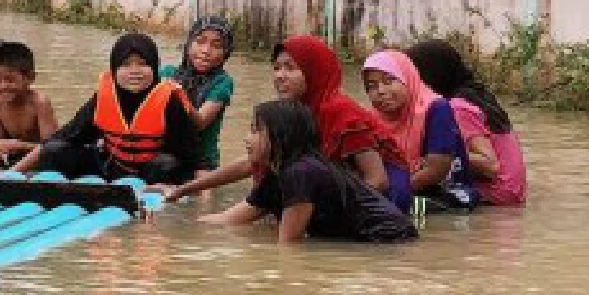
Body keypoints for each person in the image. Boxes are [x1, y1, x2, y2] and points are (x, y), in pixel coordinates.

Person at [163, 35, 409, 209]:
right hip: (340, 191)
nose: (280, 76)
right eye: (277, 68)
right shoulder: (287, 113)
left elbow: (377, 180)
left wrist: (317, 213)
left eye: (291, 68)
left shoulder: (341, 113)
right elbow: (251, 163)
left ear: (314, 71)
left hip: (384, 199)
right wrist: (183, 190)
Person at [202, 100, 417, 244]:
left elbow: (288, 246)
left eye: (256, 130)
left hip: (387, 240)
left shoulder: (300, 172)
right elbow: (229, 218)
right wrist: (183, 231)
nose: (247, 139)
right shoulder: (279, 174)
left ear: (282, 136)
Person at [11, 32, 199, 184]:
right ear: (114, 69)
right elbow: (65, 136)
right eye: (125, 64)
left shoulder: (170, 100)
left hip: (149, 174)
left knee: (166, 164)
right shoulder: (104, 97)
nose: (134, 71)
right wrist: (12, 174)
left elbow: (190, 157)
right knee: (55, 150)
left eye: (143, 64)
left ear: (155, 67)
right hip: (110, 167)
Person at [407, 38, 528, 206]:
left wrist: (436, 155)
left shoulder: (459, 107)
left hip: (496, 195)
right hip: (513, 193)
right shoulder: (478, 95)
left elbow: (490, 165)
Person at [361, 49, 476, 210]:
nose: (380, 91)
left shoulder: (437, 108)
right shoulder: (370, 117)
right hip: (393, 189)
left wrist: (395, 191)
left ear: (407, 79)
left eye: (389, 81)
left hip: (444, 191)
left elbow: (436, 171)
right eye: (372, 86)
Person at [162, 16, 236, 171]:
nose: (205, 51)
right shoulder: (167, 73)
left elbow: (200, 122)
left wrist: (178, 94)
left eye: (216, 46)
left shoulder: (222, 82)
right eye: (200, 41)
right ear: (189, 44)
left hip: (201, 163)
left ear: (226, 52)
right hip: (165, 155)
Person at [0, 40, 57, 165]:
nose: (2, 86)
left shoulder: (40, 103)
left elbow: (53, 150)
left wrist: (18, 145)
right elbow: (3, 143)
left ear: (30, 78)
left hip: (42, 162)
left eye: (10, 80)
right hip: (16, 161)